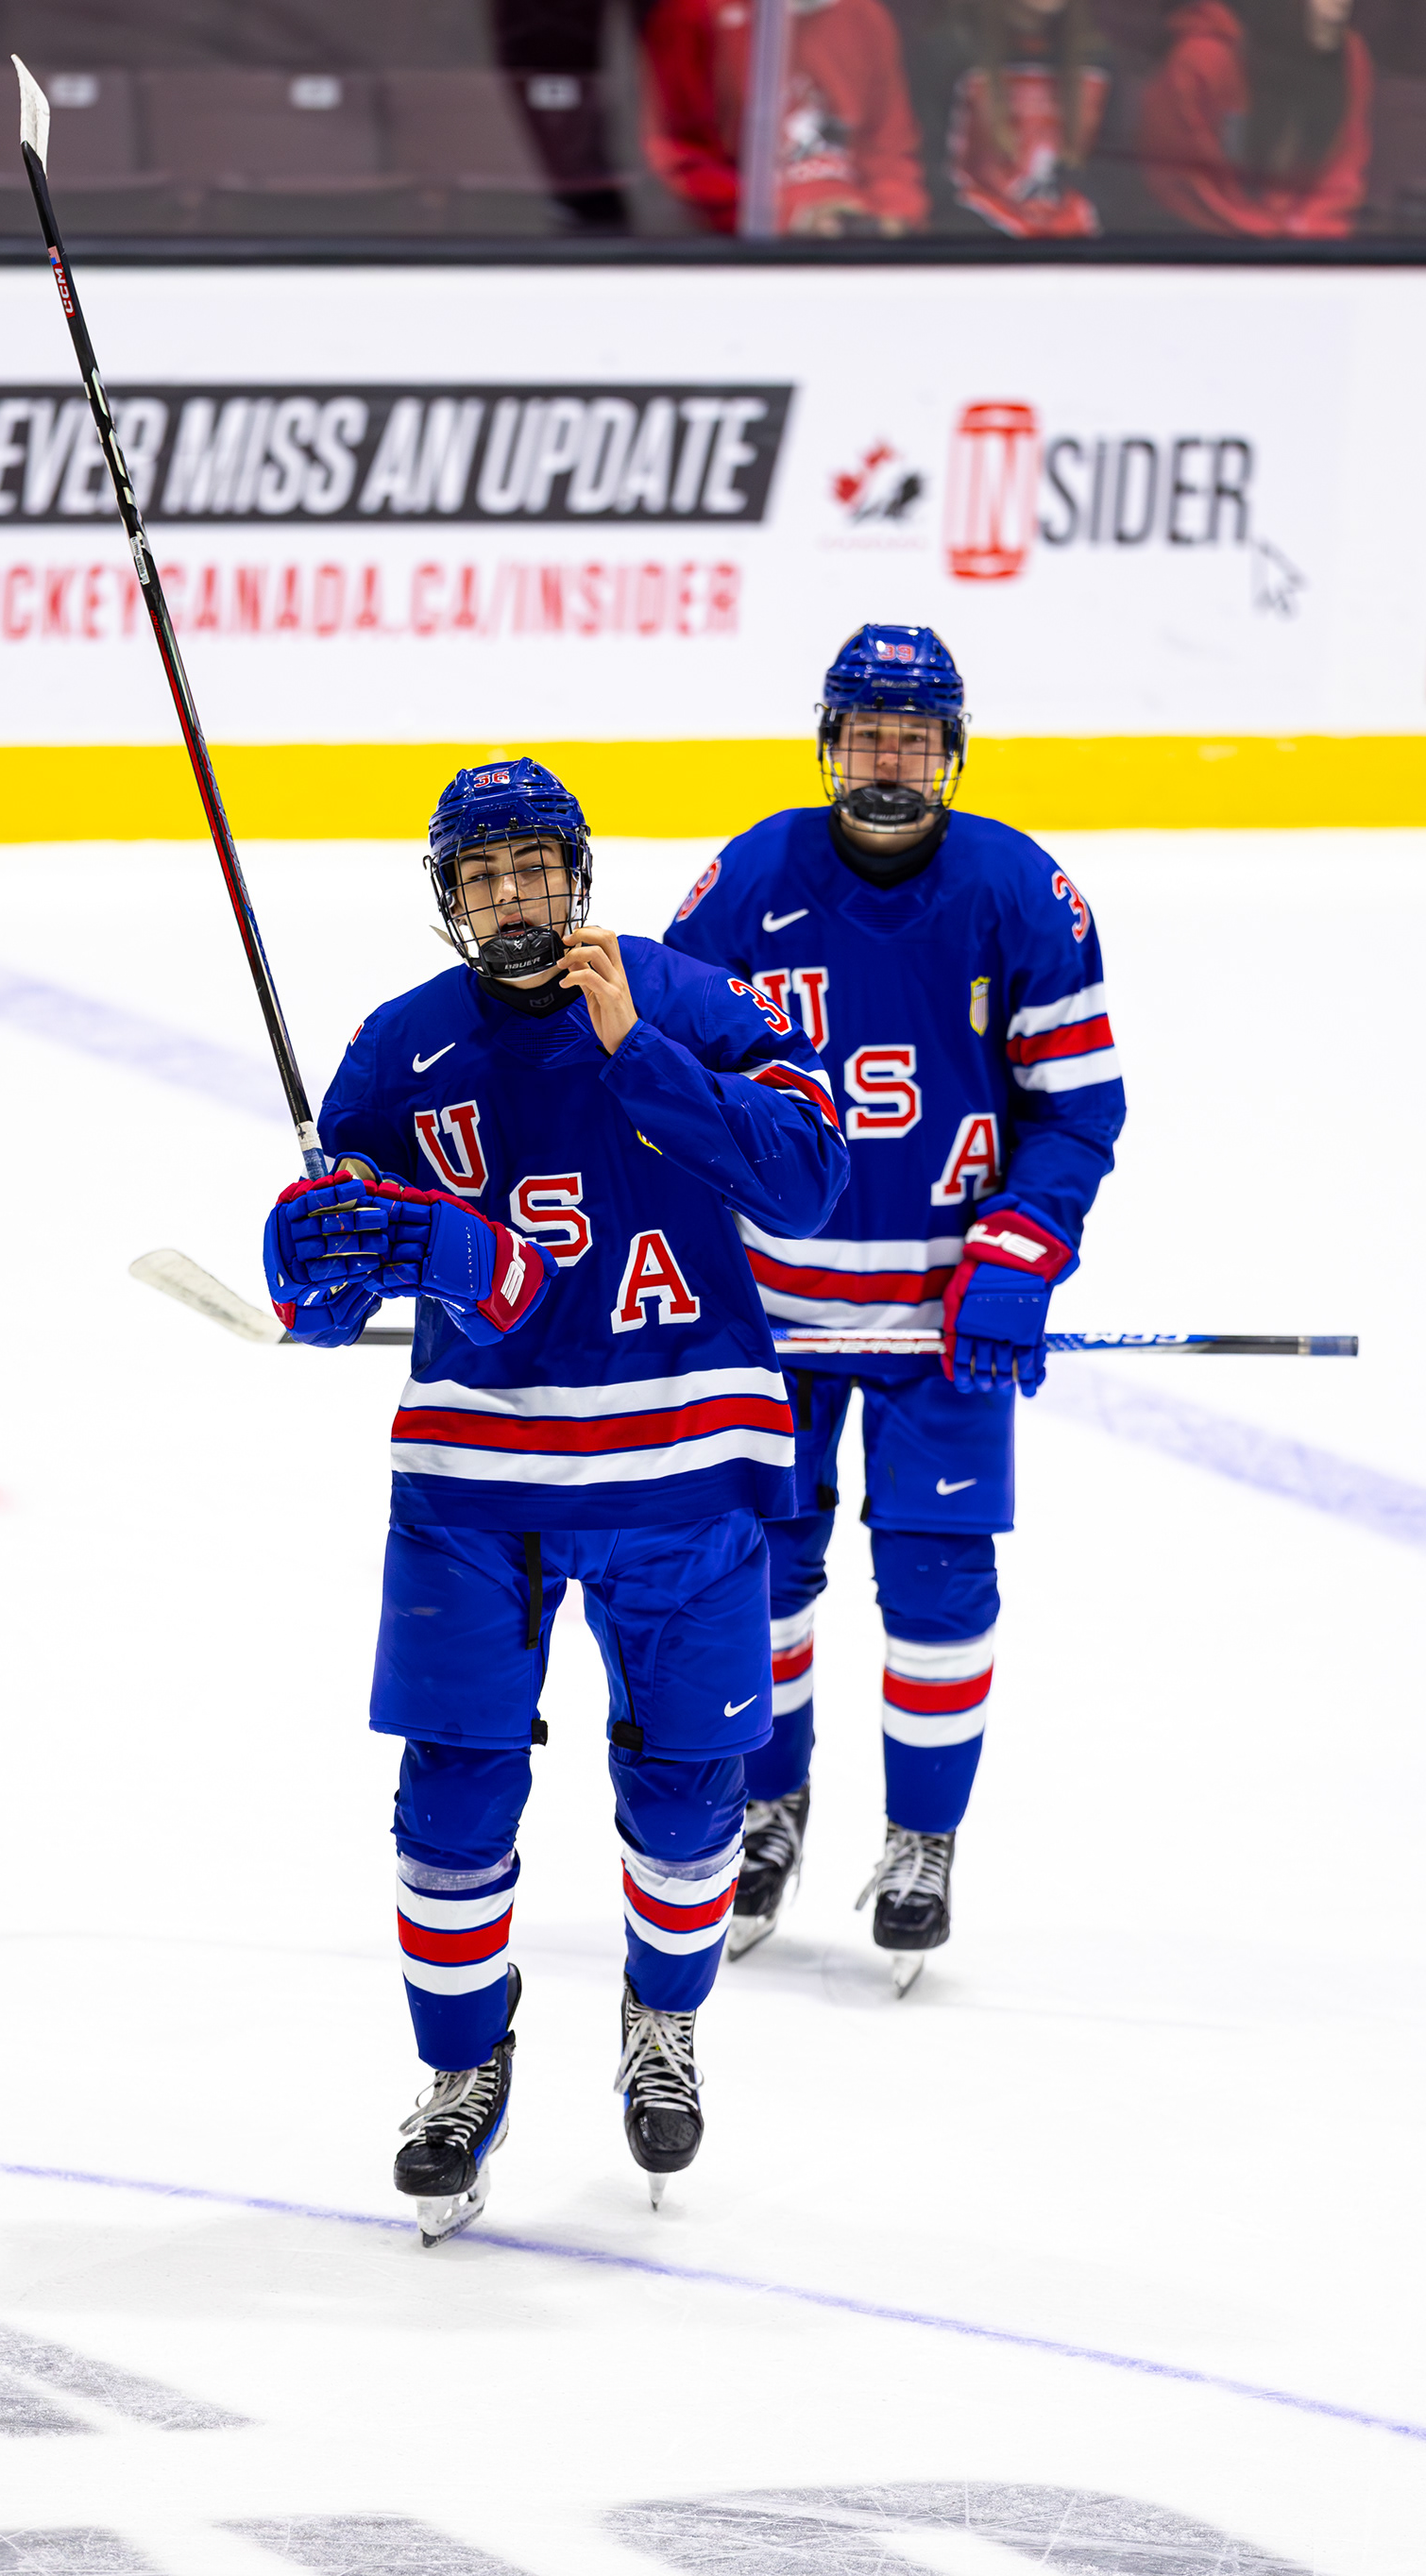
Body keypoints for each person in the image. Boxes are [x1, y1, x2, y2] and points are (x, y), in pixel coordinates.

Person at [262, 758, 848, 2244]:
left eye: (533, 868)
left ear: (578, 875)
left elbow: (808, 1181)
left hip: (687, 1466)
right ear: (448, 897)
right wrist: (313, 1261)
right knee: (451, 1802)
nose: (512, 897)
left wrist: (638, 1049)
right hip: (477, 1481)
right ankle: (463, 2069)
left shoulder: (693, 998)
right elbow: (335, 1281)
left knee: (689, 1796)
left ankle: (664, 2020)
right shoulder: (399, 1048)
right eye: (482, 876)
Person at [661, 626, 1125, 1991]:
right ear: (828, 744)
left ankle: (924, 1837)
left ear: (952, 754)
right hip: (772, 1314)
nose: (888, 762)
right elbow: (662, 1089)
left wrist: (1022, 1251)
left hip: (943, 1324)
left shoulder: (1022, 892)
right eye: (868, 735)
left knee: (939, 1579)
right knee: (759, 1574)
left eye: (914, 741)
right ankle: (768, 1808)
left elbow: (1076, 1111)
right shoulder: (747, 881)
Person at [639, 0, 929, 234]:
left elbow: (889, 148)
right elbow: (679, 157)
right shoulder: (692, 16)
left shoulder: (863, 16)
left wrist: (891, 217)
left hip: (858, 242)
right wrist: (788, 217)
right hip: (751, 252)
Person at [1140, 0, 1373, 238]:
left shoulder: (1350, 58)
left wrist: (1307, 237)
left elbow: (1342, 173)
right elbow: (1189, 191)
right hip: (1217, 247)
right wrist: (1274, 243)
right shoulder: (1201, 61)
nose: (1339, 6)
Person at [914, 0, 1112, 235]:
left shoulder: (1099, 60)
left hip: (1078, 241)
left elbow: (1115, 180)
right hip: (975, 238)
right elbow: (929, 169)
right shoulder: (948, 54)